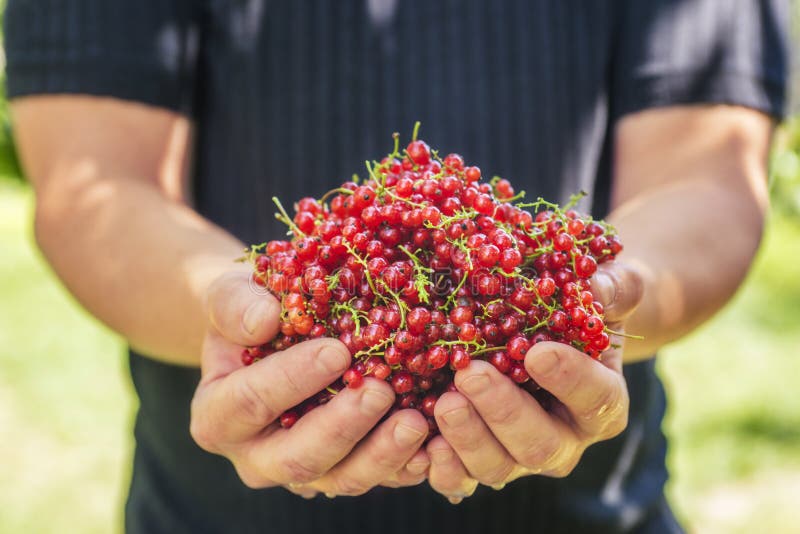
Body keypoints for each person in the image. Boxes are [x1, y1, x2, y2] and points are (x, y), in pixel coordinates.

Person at [4, 0, 788, 532]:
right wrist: (245, 315)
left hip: (588, 508)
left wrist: (604, 299)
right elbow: (93, 187)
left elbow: (708, 178)